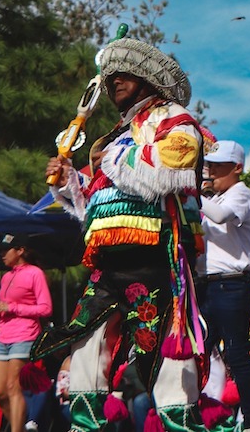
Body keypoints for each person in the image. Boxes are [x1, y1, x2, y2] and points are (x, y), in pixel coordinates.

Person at [39, 37, 207, 432]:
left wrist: (112, 157)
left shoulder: (173, 117)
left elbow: (173, 167)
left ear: (148, 79)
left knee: (170, 361)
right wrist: (71, 181)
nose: (114, 80)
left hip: (156, 258)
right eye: (110, 75)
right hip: (108, 263)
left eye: (124, 74)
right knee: (85, 346)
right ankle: (85, 425)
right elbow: (99, 202)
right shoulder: (116, 134)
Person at [198, 139, 250, 432]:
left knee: (236, 353)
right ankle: (192, 410)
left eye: (219, 166)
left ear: (237, 168)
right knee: (198, 352)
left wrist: (192, 194)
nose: (211, 172)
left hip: (233, 285)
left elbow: (222, 217)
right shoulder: (217, 197)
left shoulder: (242, 193)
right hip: (208, 285)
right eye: (210, 165)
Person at [0, 235, 52, 432]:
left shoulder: (35, 273)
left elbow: (45, 309)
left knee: (14, 388)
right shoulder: (6, 276)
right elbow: (4, 309)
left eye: (6, 250)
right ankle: (19, 427)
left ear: (20, 250)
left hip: (25, 335)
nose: (2, 254)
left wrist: (10, 307)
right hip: (3, 336)